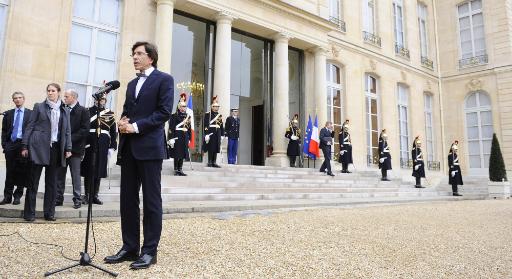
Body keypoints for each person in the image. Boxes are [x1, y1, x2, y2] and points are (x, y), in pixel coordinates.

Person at [104, 41, 173, 270]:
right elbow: (128, 110)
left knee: (152, 201)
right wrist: (123, 121)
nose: (134, 57)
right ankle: (129, 247)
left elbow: (163, 113)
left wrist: (135, 127)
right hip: (130, 148)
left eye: (139, 54)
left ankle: (149, 251)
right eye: (133, 54)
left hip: (150, 148)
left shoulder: (164, 80)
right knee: (128, 200)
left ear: (151, 57)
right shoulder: (132, 83)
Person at [21, 83, 72, 222]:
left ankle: (49, 213)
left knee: (52, 183)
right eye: (48, 91)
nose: (50, 93)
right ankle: (29, 214)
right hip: (38, 148)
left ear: (59, 92)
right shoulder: (39, 106)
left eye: (53, 91)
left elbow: (67, 131)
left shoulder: (64, 109)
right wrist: (25, 145)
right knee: (33, 182)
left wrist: (68, 148)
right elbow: (30, 126)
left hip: (56, 149)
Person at [80, 95, 117, 205]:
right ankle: (87, 195)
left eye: (102, 99)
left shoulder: (108, 113)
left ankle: (95, 195)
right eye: (98, 99)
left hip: (103, 143)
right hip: (90, 142)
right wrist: (83, 143)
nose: (100, 101)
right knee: (88, 169)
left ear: (105, 100)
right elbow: (84, 128)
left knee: (99, 169)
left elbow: (113, 130)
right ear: (95, 100)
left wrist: (112, 145)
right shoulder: (88, 111)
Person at [56, 89, 89, 209]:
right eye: (64, 97)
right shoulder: (62, 109)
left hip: (76, 149)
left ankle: (77, 199)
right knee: (60, 175)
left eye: (66, 96)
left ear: (74, 97)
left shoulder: (83, 111)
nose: (64, 98)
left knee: (75, 175)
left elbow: (84, 130)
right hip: (61, 149)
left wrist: (69, 139)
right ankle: (58, 198)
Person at [0, 92, 32, 205]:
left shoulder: (30, 114)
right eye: (15, 98)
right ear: (13, 100)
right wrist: (4, 144)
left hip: (23, 145)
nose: (17, 100)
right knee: (10, 171)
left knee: (22, 171)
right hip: (11, 144)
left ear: (24, 99)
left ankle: (17, 196)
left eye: (19, 98)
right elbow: (4, 130)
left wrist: (27, 146)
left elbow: (32, 131)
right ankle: (7, 197)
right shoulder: (9, 114)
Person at [168, 94, 191, 176]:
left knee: (182, 154)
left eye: (184, 106)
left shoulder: (188, 116)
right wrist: (171, 138)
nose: (183, 108)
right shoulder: (174, 116)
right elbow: (171, 128)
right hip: (177, 136)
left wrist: (189, 138)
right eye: (182, 106)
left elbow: (189, 128)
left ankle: (180, 169)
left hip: (184, 136)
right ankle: (176, 169)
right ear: (178, 106)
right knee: (177, 153)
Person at [202, 96, 223, 168]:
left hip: (218, 133)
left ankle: (214, 162)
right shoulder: (208, 114)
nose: (217, 108)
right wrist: (206, 134)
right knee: (211, 147)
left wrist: (222, 135)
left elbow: (221, 125)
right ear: (212, 107)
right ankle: (210, 161)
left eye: (217, 107)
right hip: (211, 132)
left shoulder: (219, 115)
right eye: (215, 106)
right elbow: (205, 124)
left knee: (216, 147)